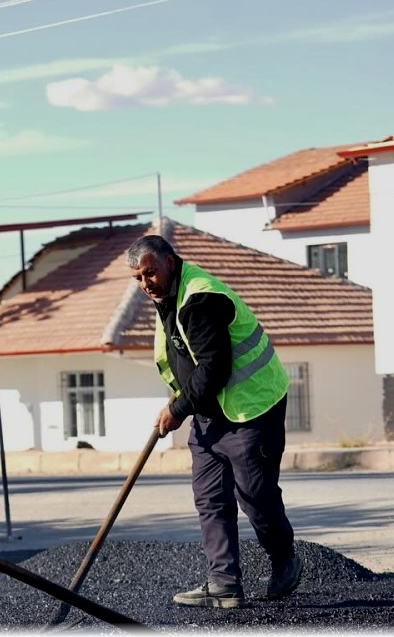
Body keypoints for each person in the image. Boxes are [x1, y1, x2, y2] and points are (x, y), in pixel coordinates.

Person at [127, 234, 301, 609]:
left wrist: (176, 409)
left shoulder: (200, 298)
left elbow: (215, 367)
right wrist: (184, 403)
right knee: (210, 499)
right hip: (209, 412)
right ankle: (224, 583)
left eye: (149, 273)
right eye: (138, 278)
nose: (145, 283)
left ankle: (284, 557)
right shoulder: (166, 299)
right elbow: (185, 359)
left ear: (169, 263)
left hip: (251, 408)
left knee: (254, 495)